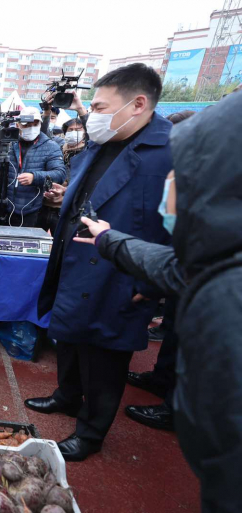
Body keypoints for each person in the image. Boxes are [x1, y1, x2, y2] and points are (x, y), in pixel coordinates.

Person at [72, 91, 242, 511]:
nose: (170, 182)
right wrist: (110, 240)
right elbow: (173, 265)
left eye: (178, 173)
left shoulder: (228, 295)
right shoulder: (215, 258)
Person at [24, 63, 173, 461]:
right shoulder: (103, 141)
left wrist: (152, 284)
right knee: (69, 338)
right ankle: (67, 396)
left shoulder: (171, 152)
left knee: (105, 357)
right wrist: (63, 199)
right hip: (76, 257)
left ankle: (91, 432)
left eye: (101, 106)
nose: (94, 115)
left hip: (121, 272)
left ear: (138, 104)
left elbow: (179, 228)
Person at [124, 109, 194, 431]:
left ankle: (176, 408)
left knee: (193, 343)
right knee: (177, 330)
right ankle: (161, 379)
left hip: (200, 272)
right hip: (185, 272)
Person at [1, 106, 66, 227]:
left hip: (33, 210)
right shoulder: (9, 143)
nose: (31, 128)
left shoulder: (51, 146)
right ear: (18, 125)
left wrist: (34, 177)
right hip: (5, 208)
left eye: (35, 124)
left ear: (40, 124)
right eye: (26, 125)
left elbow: (60, 174)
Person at [38, 118, 88, 232]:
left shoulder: (86, 154)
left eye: (78, 129)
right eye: (71, 129)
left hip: (65, 209)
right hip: (44, 206)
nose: (74, 132)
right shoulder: (56, 150)